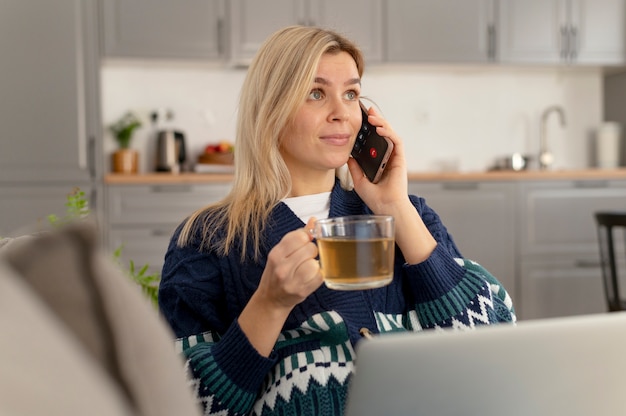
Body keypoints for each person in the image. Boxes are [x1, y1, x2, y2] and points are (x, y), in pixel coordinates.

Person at [158, 25, 516, 416]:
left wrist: (395, 208)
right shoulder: (209, 241)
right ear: (271, 109)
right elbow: (181, 402)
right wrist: (269, 305)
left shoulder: (409, 216)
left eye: (351, 94)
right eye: (316, 93)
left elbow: (493, 354)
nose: (342, 113)